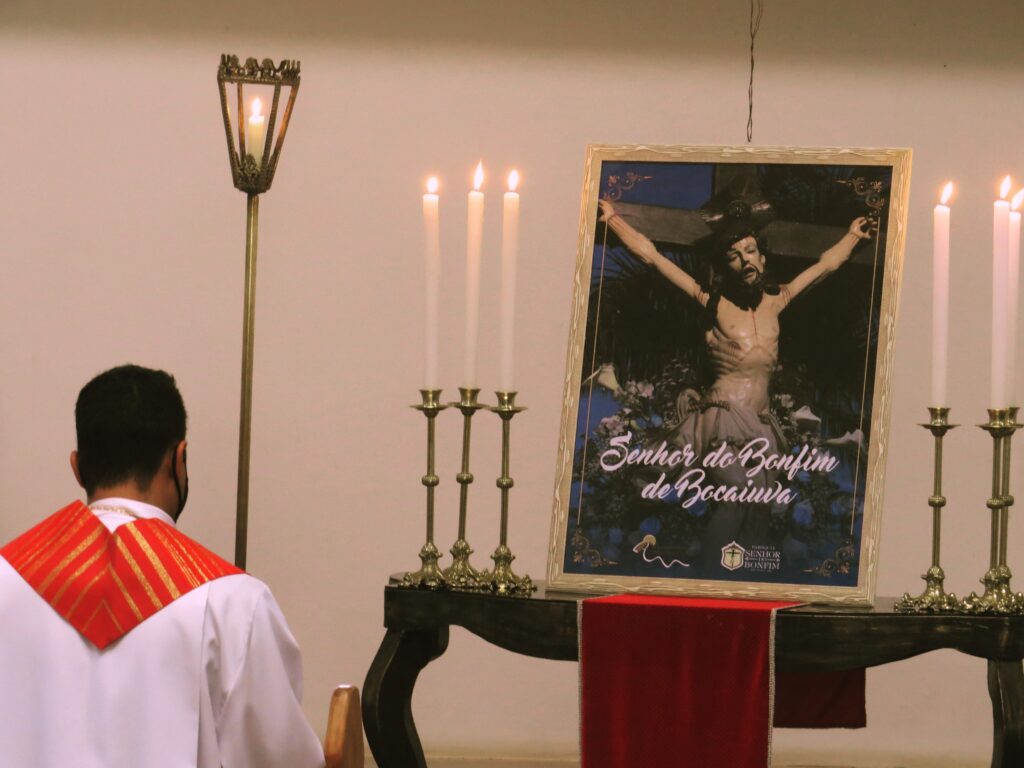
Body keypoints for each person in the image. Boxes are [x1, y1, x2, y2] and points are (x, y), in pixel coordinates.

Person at [0, 364, 326, 767]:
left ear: (78, 468)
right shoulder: (233, 603)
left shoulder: (7, 581)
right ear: (179, 459)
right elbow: (281, 758)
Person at [599, 199, 871, 569]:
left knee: (759, 507)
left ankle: (743, 583)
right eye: (734, 256)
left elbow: (826, 265)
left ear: (762, 257)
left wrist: (853, 236)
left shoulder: (778, 301)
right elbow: (653, 258)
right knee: (735, 495)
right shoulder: (713, 303)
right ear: (725, 266)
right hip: (723, 417)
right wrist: (614, 221)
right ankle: (709, 577)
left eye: (750, 251)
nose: (745, 260)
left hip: (762, 423)